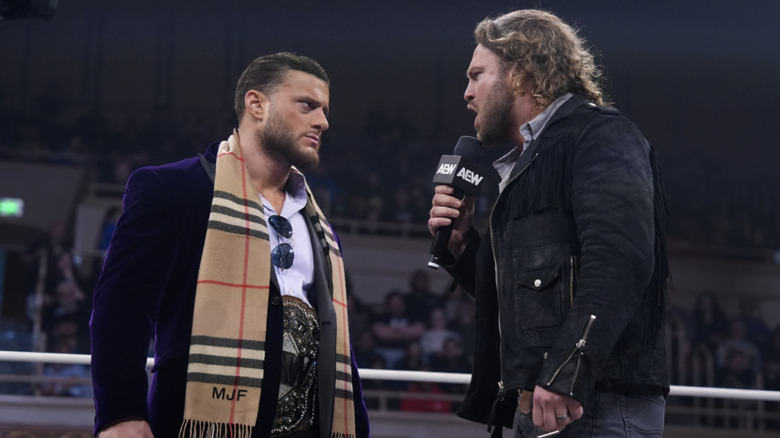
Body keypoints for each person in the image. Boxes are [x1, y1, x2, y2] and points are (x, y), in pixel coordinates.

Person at [90, 52, 369, 438]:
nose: (322, 121)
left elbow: (336, 339)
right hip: (199, 424)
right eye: (307, 105)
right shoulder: (173, 191)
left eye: (323, 109)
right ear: (257, 104)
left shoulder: (319, 223)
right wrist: (121, 415)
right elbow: (119, 313)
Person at [428, 10, 670, 437]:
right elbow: (536, 295)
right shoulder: (528, 162)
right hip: (543, 403)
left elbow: (620, 261)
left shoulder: (600, 135)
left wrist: (567, 371)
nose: (466, 93)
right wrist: (463, 249)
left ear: (521, 73)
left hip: (593, 401)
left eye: (476, 75)